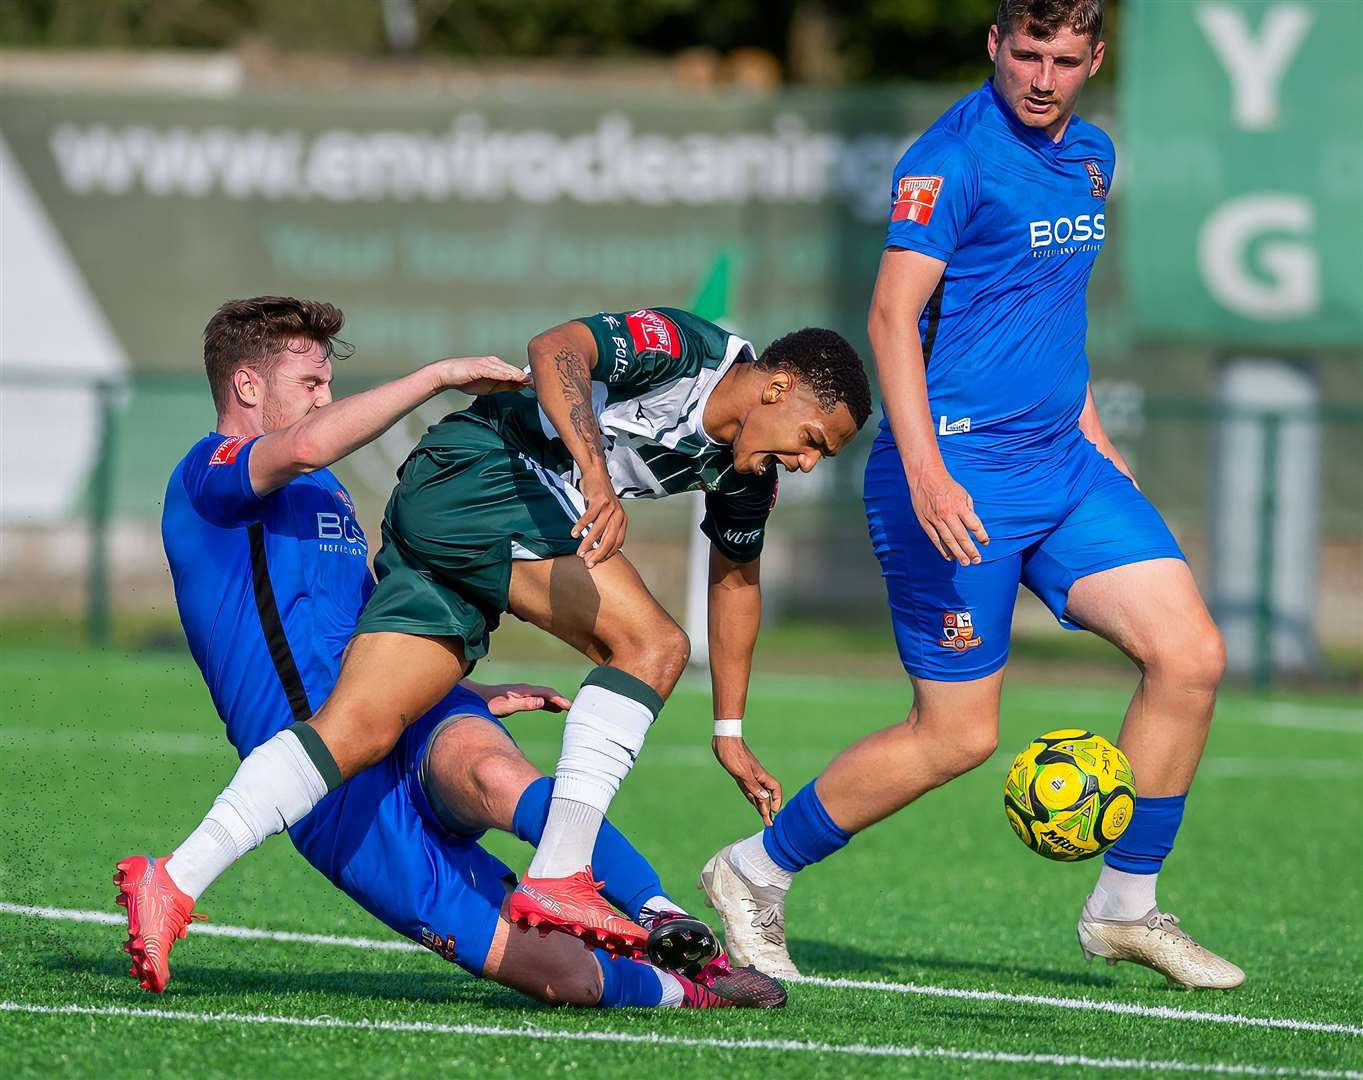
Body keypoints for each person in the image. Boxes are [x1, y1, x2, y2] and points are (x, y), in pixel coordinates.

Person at [700, 0, 1243, 991]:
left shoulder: (1091, 156)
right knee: (957, 735)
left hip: (1062, 465)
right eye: (1025, 52)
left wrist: (1089, 431)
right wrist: (925, 470)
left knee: (1190, 655)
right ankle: (750, 870)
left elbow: (1041, 307)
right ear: (993, 45)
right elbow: (890, 315)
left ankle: (1124, 908)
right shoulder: (946, 161)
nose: (1042, 76)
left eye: (1064, 58)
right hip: (954, 473)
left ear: (1093, 60)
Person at [128, 303, 873, 963]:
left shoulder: (748, 476)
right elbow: (555, 348)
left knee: (355, 728)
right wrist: (595, 475)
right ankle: (558, 875)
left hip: (459, 515)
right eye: (812, 439)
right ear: (776, 387)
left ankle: (176, 878)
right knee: (652, 645)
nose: (806, 462)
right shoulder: (686, 349)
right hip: (481, 472)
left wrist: (730, 727)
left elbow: (737, 579)